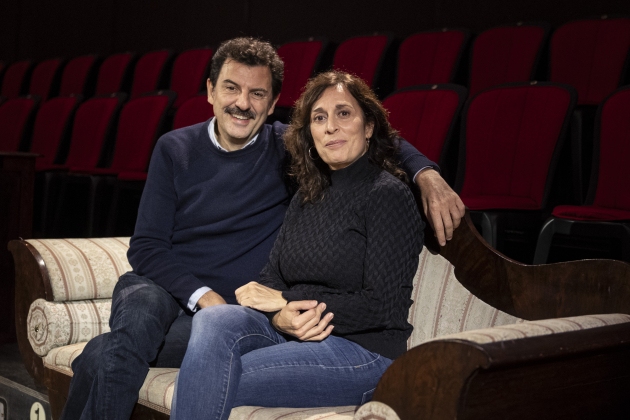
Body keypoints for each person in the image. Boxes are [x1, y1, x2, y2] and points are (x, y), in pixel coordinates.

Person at [60, 37, 463, 420]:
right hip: (165, 287)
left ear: (272, 105)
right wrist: (208, 298)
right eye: (231, 88)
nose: (242, 104)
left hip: (236, 314)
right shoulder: (175, 148)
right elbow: (147, 247)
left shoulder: (287, 148)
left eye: (257, 94)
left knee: (102, 354)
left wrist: (426, 173)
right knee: (138, 323)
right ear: (210, 91)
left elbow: (366, 136)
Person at [172, 70, 424, 419]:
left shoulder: (387, 195)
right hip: (297, 333)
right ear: (311, 134)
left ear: (369, 127)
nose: (330, 127)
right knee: (215, 321)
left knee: (215, 375)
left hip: (364, 351)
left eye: (343, 113)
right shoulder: (308, 196)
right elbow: (271, 278)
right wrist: (279, 317)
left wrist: (286, 301)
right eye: (319, 118)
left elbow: (382, 306)